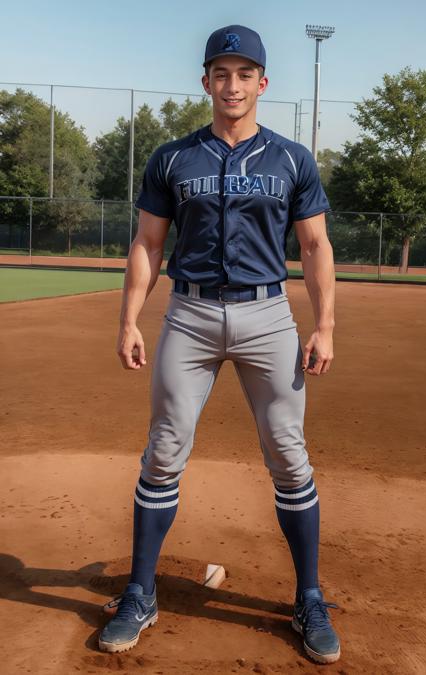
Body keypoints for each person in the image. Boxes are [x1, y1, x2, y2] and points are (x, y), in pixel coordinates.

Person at [98, 24, 340, 665]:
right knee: (164, 450)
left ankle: (309, 597)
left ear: (263, 83)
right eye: (221, 73)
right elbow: (148, 245)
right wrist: (128, 321)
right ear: (206, 81)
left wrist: (325, 326)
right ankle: (140, 593)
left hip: (268, 316)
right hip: (190, 317)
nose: (232, 85)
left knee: (289, 455)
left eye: (244, 74)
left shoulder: (291, 159)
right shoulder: (174, 158)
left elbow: (315, 246)